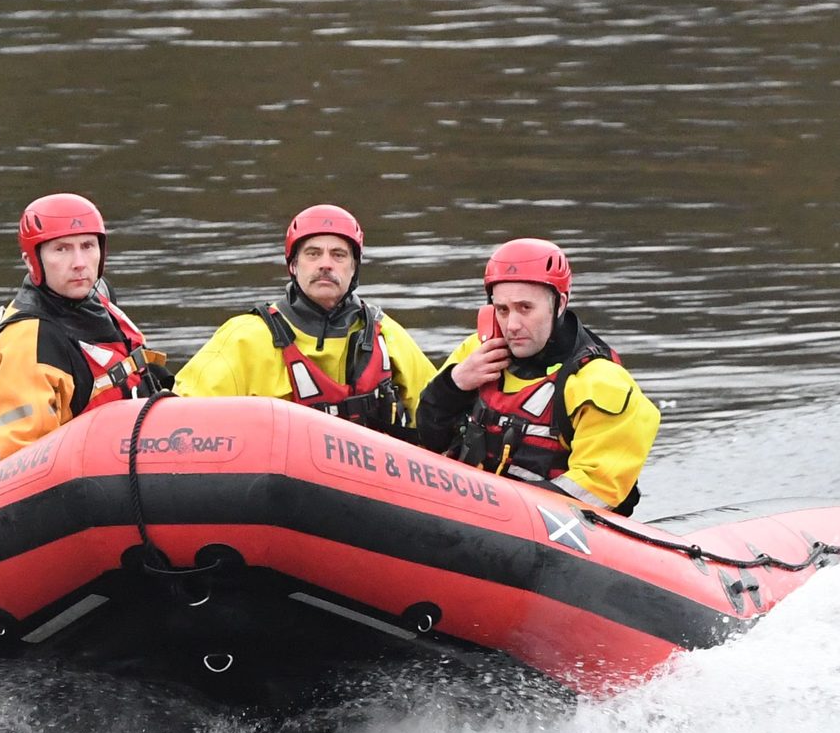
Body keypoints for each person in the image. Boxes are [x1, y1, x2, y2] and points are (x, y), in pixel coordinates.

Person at [414, 237, 659, 513]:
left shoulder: (601, 383)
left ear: (560, 303)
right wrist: (454, 384)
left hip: (548, 536)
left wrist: (494, 508)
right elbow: (430, 437)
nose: (513, 325)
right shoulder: (477, 352)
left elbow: (594, 493)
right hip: (464, 515)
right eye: (502, 310)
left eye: (525, 308)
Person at [173, 203, 436, 434]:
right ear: (293, 265)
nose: (325, 264)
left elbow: (439, 412)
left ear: (354, 268)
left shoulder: (386, 336)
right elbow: (182, 415)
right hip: (272, 484)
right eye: (313, 253)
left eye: (338, 254)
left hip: (377, 482)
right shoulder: (245, 337)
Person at [0, 193, 169, 460]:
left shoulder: (100, 298)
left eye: (88, 246)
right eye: (62, 249)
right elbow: (22, 458)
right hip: (87, 480)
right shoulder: (29, 339)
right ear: (32, 261)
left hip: (137, 454)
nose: (79, 263)